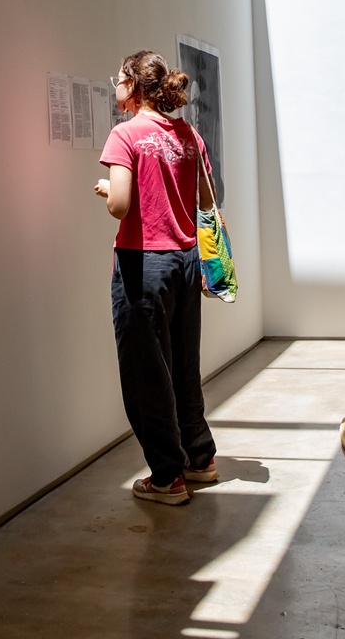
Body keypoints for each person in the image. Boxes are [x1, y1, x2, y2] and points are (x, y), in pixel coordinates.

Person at [93, 49, 218, 506]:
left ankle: (166, 477)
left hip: (143, 264)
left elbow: (120, 206)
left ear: (133, 84)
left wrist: (109, 187)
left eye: (118, 78)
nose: (115, 86)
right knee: (184, 365)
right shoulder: (188, 134)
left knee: (148, 373)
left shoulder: (125, 135)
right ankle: (199, 460)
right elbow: (207, 200)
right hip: (186, 262)